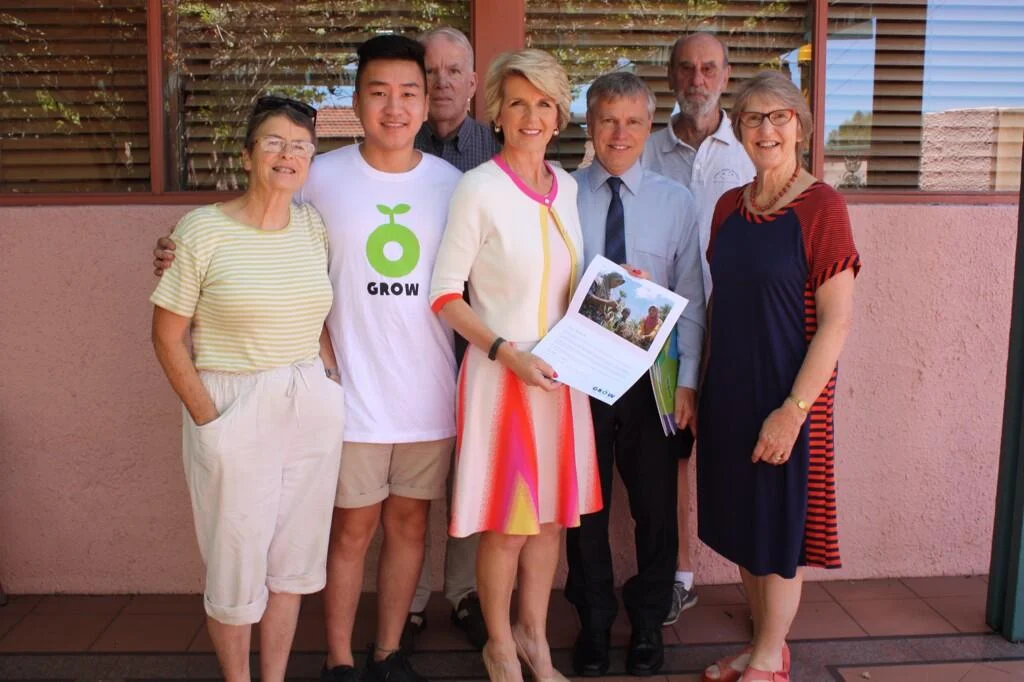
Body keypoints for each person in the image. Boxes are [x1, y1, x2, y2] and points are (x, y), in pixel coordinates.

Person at [152, 36, 461, 682]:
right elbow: (243, 226)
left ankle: (389, 653)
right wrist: (175, 251)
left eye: (409, 93)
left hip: (424, 391)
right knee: (347, 533)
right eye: (379, 92)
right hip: (346, 396)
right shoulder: (321, 175)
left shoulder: (454, 185)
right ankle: (342, 658)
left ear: (429, 102)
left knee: (409, 526)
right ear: (357, 101)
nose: (394, 107)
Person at [150, 96, 346, 682]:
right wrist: (210, 420)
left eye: (301, 146)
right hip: (234, 404)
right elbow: (166, 338)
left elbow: (318, 318)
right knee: (235, 566)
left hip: (308, 401)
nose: (288, 155)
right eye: (274, 143)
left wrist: (330, 382)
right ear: (247, 154)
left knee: (291, 563)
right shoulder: (201, 231)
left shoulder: (311, 225)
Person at [429, 49, 601, 682]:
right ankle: (499, 645)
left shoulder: (571, 186)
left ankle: (535, 637)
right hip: (503, 376)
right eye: (520, 102)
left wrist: (616, 289)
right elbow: (445, 294)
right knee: (507, 525)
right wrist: (506, 353)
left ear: (560, 115)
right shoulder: (478, 187)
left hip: (560, 379)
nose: (533, 115)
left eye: (545, 103)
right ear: (497, 111)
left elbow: (567, 283)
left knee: (551, 522)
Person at [697, 70, 860, 682]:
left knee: (779, 532)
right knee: (744, 523)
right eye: (752, 118)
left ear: (800, 125)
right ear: (738, 129)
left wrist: (792, 410)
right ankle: (765, 643)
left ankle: (769, 659)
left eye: (778, 117)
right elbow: (719, 304)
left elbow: (836, 324)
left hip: (787, 397)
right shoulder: (727, 207)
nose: (765, 129)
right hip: (729, 392)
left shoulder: (822, 208)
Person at [565, 71, 705, 678]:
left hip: (655, 382)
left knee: (655, 508)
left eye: (632, 122)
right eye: (607, 120)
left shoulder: (677, 200)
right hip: (580, 377)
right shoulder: (562, 195)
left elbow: (693, 297)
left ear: (649, 129)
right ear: (589, 126)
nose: (619, 133)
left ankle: (648, 622)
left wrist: (691, 382)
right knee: (585, 509)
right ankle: (593, 623)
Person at [642, 32, 755, 625]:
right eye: (685, 67)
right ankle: (681, 574)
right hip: (661, 331)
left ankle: (757, 579)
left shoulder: (752, 150)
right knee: (673, 454)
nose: (697, 79)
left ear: (726, 74)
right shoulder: (644, 148)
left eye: (709, 68)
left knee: (741, 450)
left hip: (735, 330)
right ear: (670, 75)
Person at [405, 25, 498, 652]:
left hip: (475, 344)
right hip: (405, 343)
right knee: (410, 484)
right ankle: (406, 600)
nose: (440, 82)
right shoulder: (389, 149)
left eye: (452, 70)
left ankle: (462, 592)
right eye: (429, 71)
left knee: (469, 475)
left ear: (472, 81)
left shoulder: (497, 154)